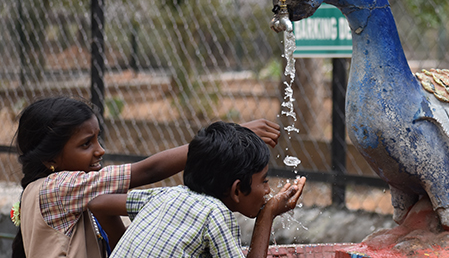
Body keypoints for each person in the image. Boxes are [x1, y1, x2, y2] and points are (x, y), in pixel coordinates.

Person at [11, 96, 280, 258]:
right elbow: (147, 171)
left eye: (97, 139)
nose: (100, 150)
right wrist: (223, 141)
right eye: (86, 144)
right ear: (50, 159)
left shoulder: (45, 192)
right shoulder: (60, 187)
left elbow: (101, 204)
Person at [88, 121, 306, 258]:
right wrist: (267, 215)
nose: (268, 190)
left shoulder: (168, 194)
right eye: (264, 181)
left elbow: (98, 204)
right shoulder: (215, 214)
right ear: (237, 190)